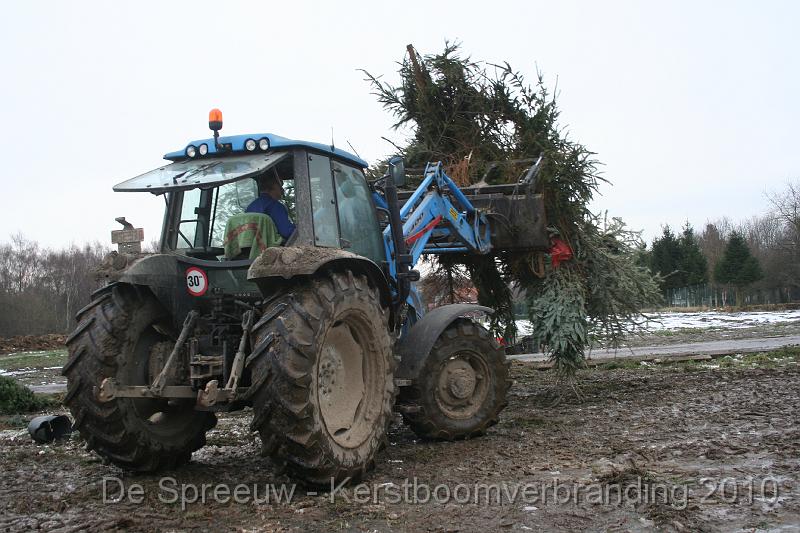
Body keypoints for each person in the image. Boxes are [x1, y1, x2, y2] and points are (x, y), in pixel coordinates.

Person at [246, 171, 296, 241]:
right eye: (280, 185)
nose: (282, 190)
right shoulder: (275, 206)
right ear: (273, 185)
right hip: (271, 249)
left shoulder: (250, 207)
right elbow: (287, 232)